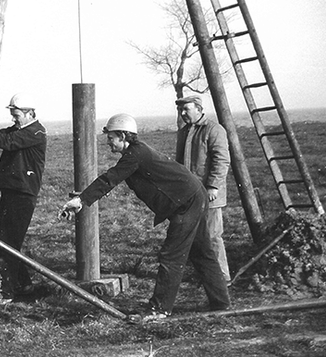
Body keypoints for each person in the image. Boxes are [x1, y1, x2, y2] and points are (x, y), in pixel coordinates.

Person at [61, 113, 230, 320]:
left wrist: (81, 200)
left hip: (187, 203)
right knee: (202, 252)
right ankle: (221, 303)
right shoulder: (135, 153)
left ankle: (159, 309)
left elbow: (109, 179)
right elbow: (112, 180)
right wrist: (84, 199)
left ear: (123, 135)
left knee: (171, 255)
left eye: (111, 137)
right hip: (193, 198)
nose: (108, 142)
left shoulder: (136, 154)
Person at [0, 92, 47, 307]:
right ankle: (23, 285)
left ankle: (5, 294)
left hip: (22, 195)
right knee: (4, 239)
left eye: (16, 114)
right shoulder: (20, 130)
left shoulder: (36, 132)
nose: (13, 118)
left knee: (5, 242)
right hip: (12, 192)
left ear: (30, 113)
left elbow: (9, 142)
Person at [175, 94, 231, 284]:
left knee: (212, 236)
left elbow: (221, 160)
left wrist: (213, 186)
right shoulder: (184, 132)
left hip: (210, 194)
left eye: (186, 109)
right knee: (195, 237)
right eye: (181, 110)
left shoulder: (214, 130)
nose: (183, 113)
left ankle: (221, 277)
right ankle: (204, 274)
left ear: (199, 110)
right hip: (190, 194)